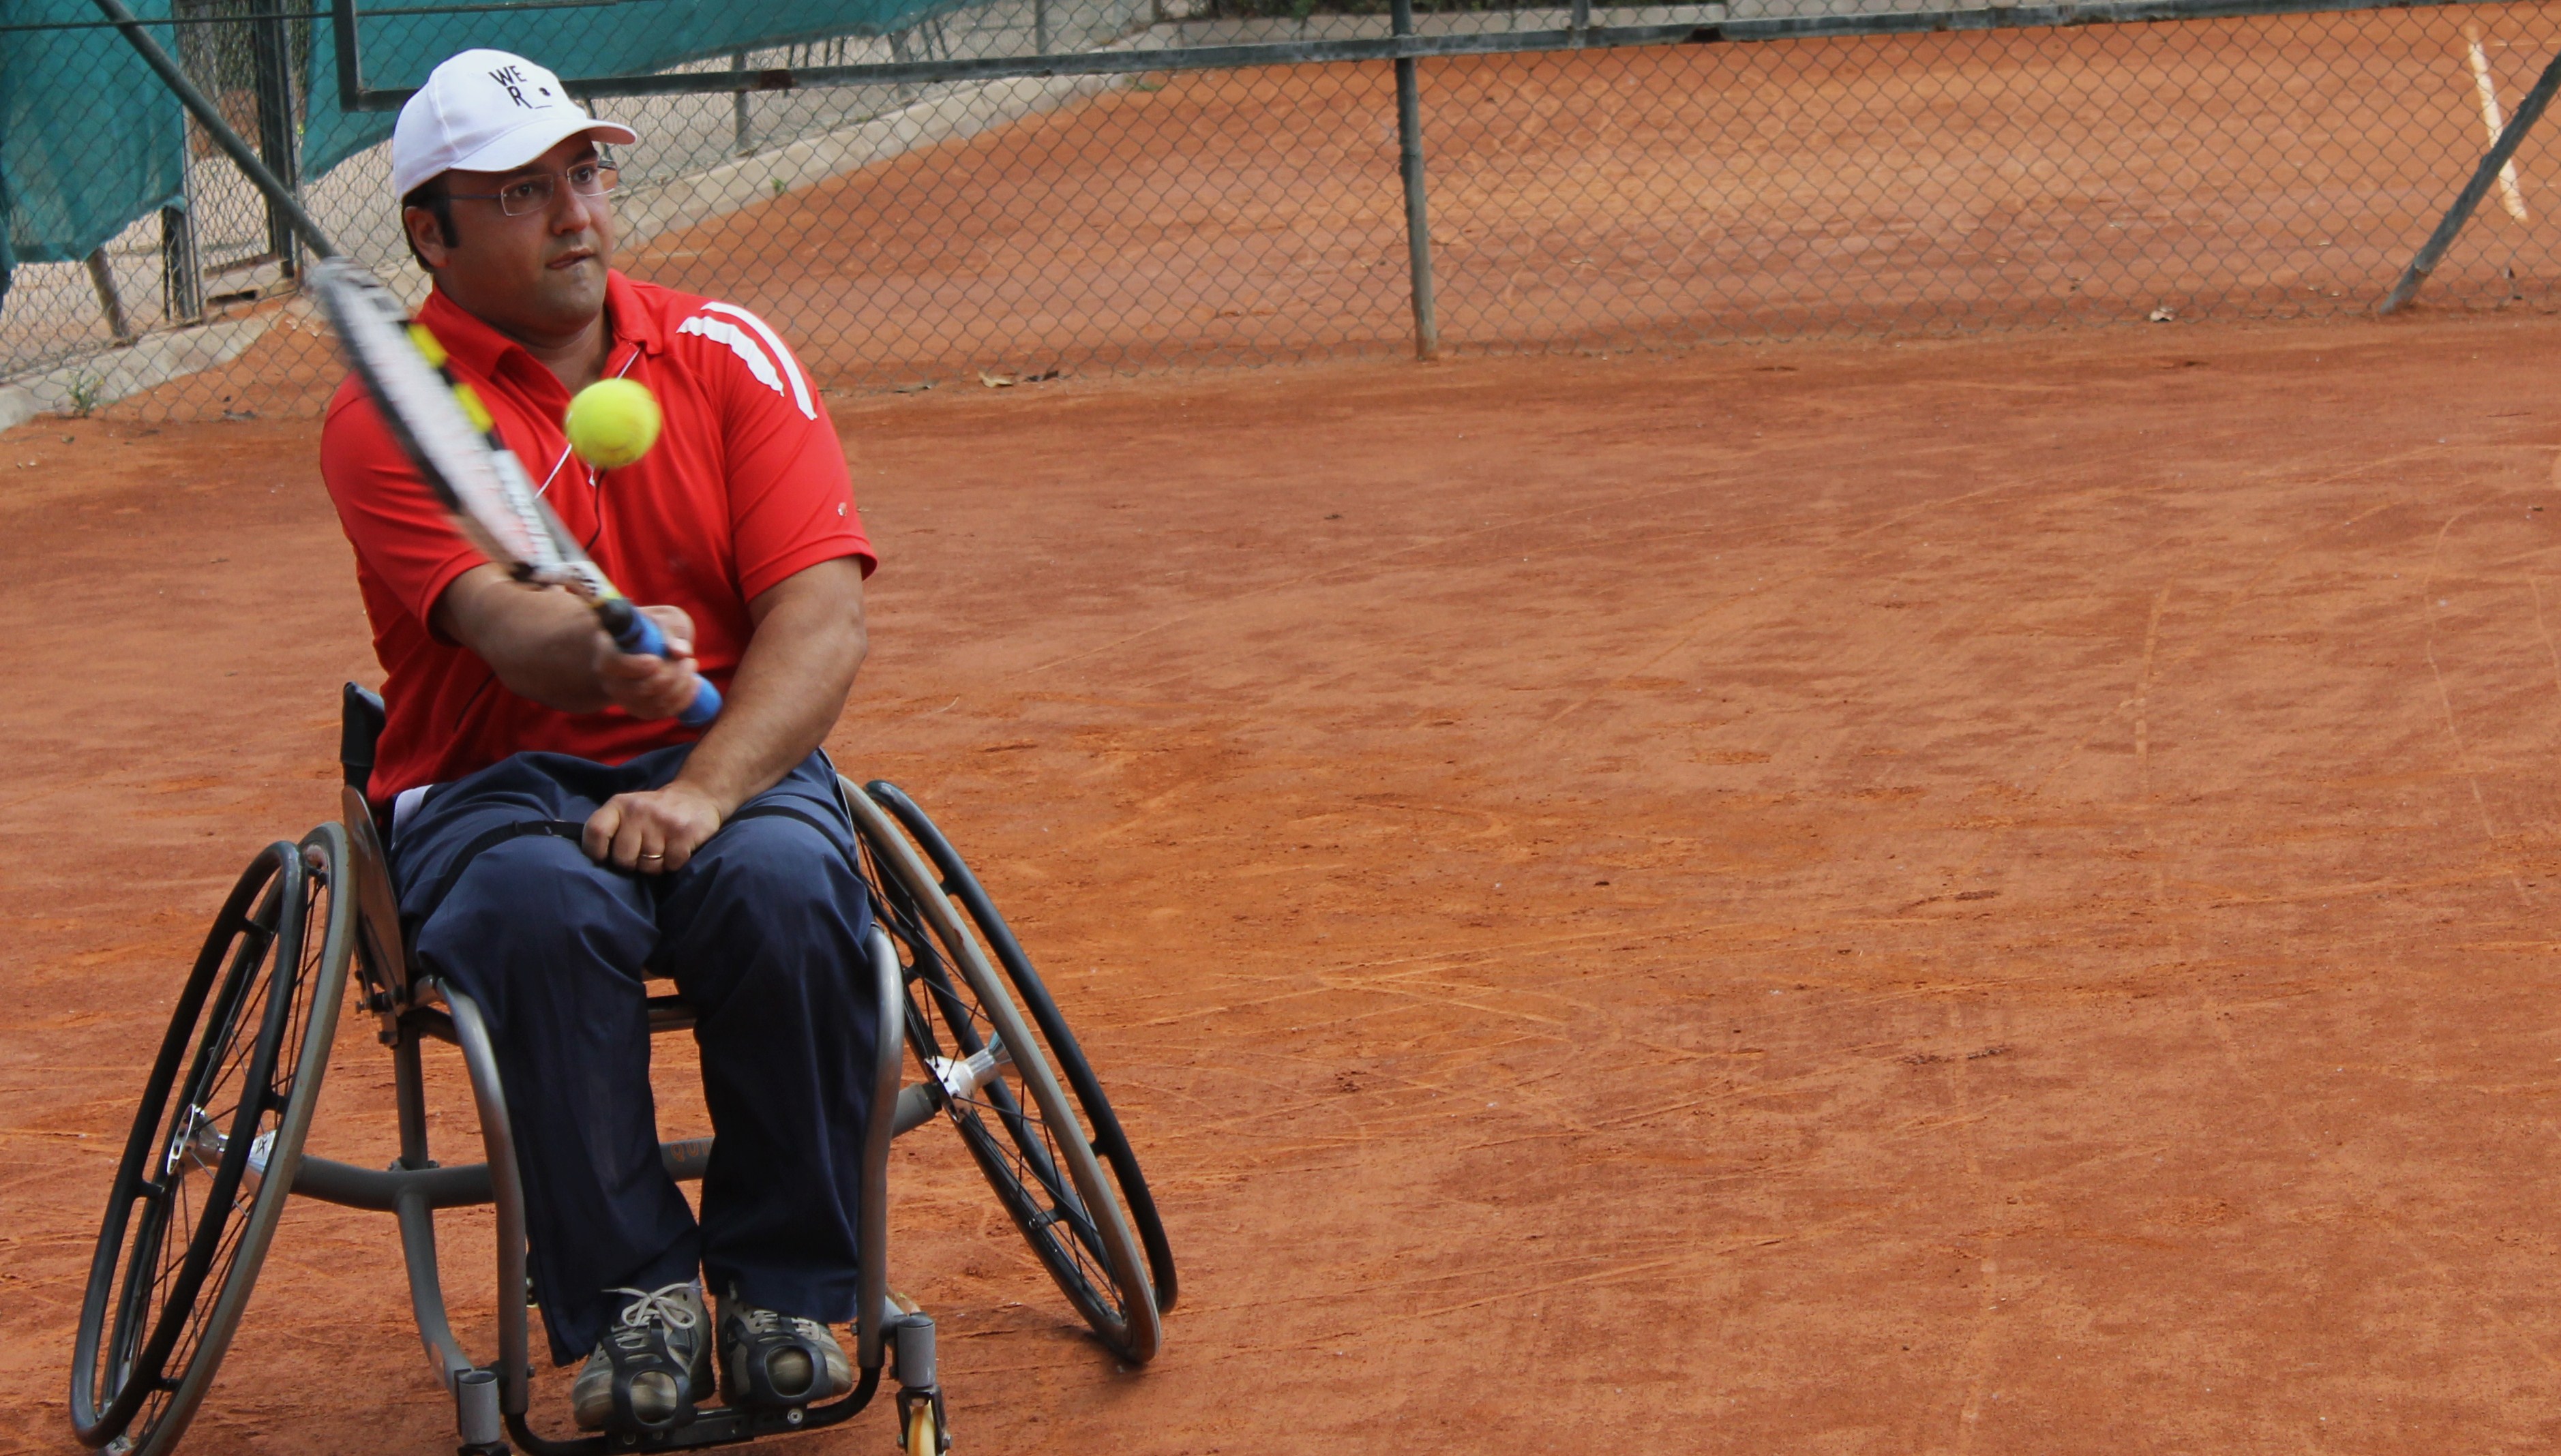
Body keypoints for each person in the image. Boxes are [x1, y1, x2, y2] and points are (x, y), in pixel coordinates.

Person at [319, 48, 878, 1436]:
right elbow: (506, 628)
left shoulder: (726, 353)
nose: (576, 212)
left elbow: (821, 617)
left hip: (733, 763)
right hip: (493, 787)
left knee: (787, 888)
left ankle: (784, 1290)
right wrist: (599, 657)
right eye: (522, 193)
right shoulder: (389, 413)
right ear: (431, 234)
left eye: (585, 172)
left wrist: (706, 789)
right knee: (538, 912)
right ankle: (633, 1297)